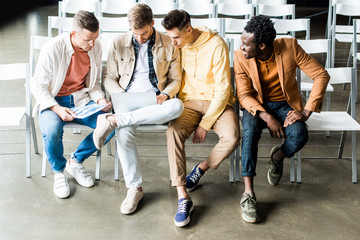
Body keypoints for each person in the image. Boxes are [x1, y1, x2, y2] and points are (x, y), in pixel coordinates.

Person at [234, 15, 330, 223]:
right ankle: (248, 194)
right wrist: (266, 116)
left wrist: (305, 112)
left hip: (285, 105)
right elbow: (243, 95)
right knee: (249, 135)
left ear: (261, 46)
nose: (241, 47)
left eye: (245, 44)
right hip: (256, 106)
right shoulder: (240, 56)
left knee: (299, 135)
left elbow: (321, 75)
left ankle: (277, 157)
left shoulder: (290, 47)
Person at [92, 4, 183, 215]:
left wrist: (166, 94)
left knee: (177, 105)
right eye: (135, 34)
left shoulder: (168, 43)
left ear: (152, 23)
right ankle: (135, 187)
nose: (140, 38)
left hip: (156, 101)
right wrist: (120, 96)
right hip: (128, 99)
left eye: (143, 33)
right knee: (124, 135)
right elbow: (109, 78)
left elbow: (176, 79)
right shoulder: (118, 42)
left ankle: (113, 120)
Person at [162, 10, 240, 227]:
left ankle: (202, 167)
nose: (173, 42)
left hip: (218, 103)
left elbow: (223, 90)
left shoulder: (217, 45)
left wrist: (205, 125)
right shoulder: (178, 45)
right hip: (190, 102)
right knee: (173, 132)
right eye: (170, 37)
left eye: (176, 37)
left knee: (232, 137)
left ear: (189, 29)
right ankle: (183, 196)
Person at [31, 10, 115, 199]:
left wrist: (100, 99)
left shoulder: (95, 46)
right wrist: (57, 109)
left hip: (81, 100)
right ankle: (59, 171)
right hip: (53, 101)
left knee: (112, 124)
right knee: (52, 131)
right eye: (87, 40)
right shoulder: (52, 48)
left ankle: (75, 162)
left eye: (95, 38)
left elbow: (94, 85)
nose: (92, 44)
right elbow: (38, 86)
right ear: (73, 33)